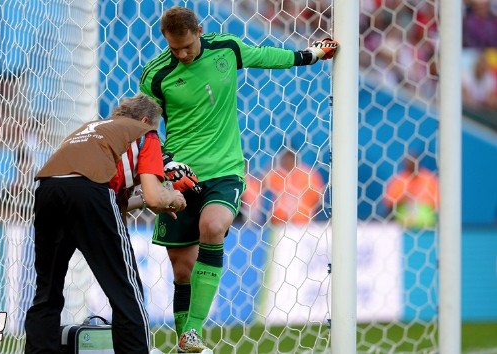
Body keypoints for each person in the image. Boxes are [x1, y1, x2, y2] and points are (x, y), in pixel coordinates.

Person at [139, 6, 338, 352]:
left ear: (199, 31)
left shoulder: (226, 49)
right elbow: (148, 129)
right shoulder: (155, 75)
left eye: (187, 46)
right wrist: (166, 163)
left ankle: (193, 331)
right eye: (175, 49)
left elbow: (266, 55)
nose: (182, 55)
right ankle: (187, 342)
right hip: (179, 177)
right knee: (182, 271)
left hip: (225, 170)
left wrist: (311, 54)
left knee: (214, 227)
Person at [24, 94, 187, 354]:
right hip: (90, 192)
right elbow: (156, 199)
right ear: (145, 120)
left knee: (47, 292)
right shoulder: (146, 133)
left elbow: (114, 203)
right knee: (126, 291)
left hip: (48, 189)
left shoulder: (93, 130)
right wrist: (174, 199)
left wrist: (147, 199)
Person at [264, 149, 324, 225]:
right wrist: (271, 166)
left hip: (303, 223)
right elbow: (260, 184)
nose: (287, 161)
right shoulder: (277, 174)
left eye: (290, 158)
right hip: (279, 223)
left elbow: (319, 199)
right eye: (285, 159)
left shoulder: (308, 175)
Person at [384, 154, 439, 229]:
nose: (411, 164)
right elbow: (389, 202)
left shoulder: (429, 179)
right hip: (404, 216)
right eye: (408, 162)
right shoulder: (400, 180)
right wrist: (404, 197)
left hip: (426, 219)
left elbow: (438, 202)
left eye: (413, 162)